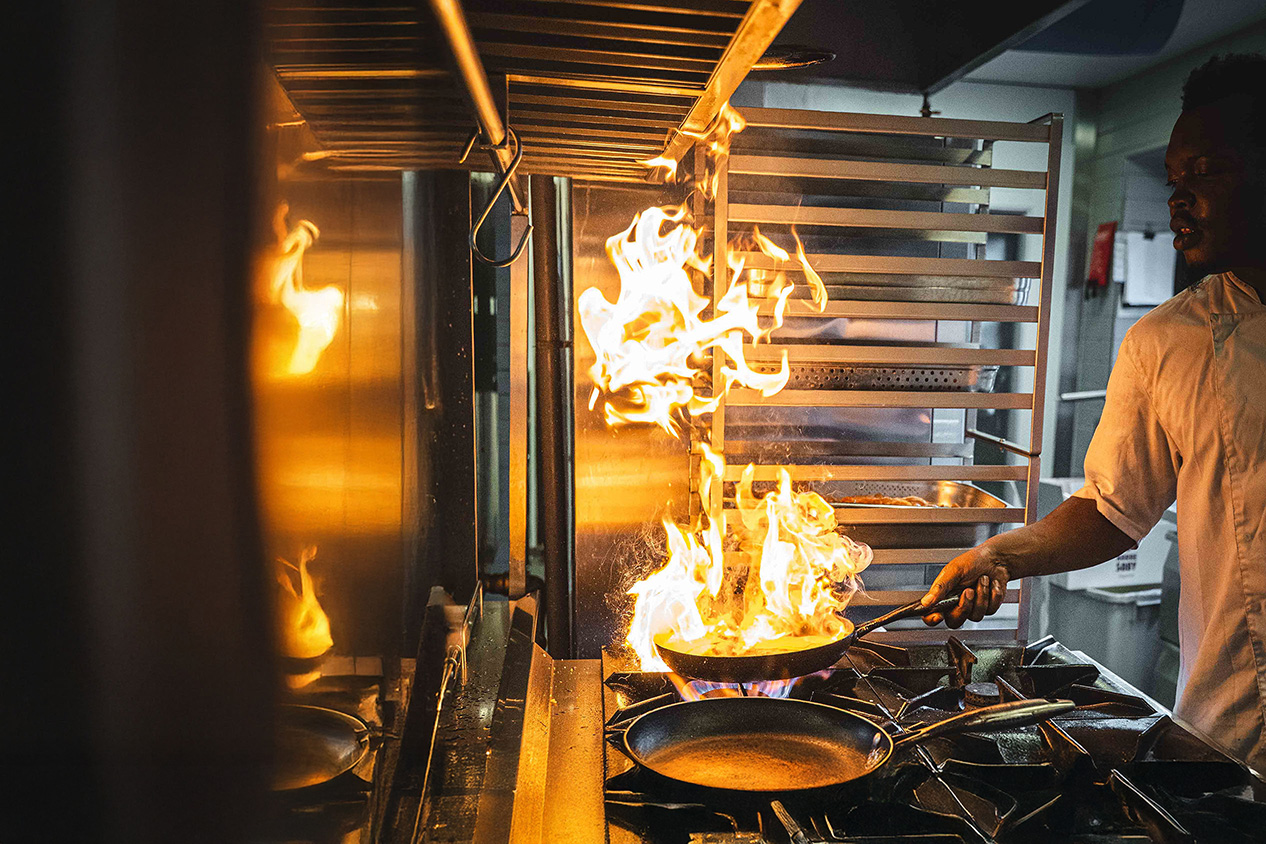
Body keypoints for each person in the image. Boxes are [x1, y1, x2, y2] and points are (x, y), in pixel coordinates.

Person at [919, 52, 1266, 771]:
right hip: (1233, 725)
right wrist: (998, 555)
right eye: (1173, 179)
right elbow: (1113, 508)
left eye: (1206, 172)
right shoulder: (1168, 340)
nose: (1179, 198)